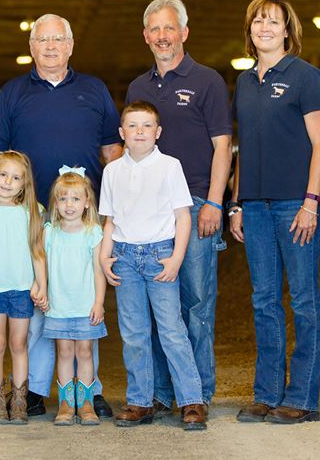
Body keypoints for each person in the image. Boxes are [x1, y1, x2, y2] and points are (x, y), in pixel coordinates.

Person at [0, 13, 121, 417]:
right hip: (29, 218)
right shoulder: (13, 92)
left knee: (82, 301)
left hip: (80, 220)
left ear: (71, 45)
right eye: (43, 39)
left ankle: (88, 392)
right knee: (40, 303)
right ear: (32, 47)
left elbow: (112, 152)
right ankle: (37, 390)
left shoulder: (94, 90)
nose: (51, 46)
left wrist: (110, 213)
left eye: (59, 39)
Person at [125, 0, 232, 418]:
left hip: (195, 203)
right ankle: (158, 393)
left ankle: (197, 393)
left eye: (170, 28)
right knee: (155, 308)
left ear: (184, 33)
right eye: (155, 29)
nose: (163, 36)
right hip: (148, 216)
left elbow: (223, 146)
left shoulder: (208, 81)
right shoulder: (138, 88)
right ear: (146, 36)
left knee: (195, 301)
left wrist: (215, 204)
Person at [229, 0, 320, 425]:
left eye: (273, 21)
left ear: (288, 29)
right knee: (263, 300)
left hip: (295, 204)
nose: (265, 28)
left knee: (304, 299)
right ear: (250, 31)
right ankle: (268, 394)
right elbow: (241, 149)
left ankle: (302, 399)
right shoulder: (244, 82)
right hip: (254, 204)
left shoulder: (307, 77)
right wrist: (236, 203)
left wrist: (310, 203)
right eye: (258, 21)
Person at [99, 101, 207, 431]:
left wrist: (176, 257)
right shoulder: (112, 171)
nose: (140, 131)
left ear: (158, 132)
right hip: (126, 257)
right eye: (132, 126)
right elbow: (110, 220)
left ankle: (191, 400)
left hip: (161, 254)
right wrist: (105, 256)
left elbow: (182, 218)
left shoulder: (170, 166)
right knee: (133, 332)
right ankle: (140, 401)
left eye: (147, 126)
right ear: (122, 133)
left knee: (172, 329)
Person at [0, 151, 48, 424]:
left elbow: (38, 251)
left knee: (19, 344)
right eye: (3, 174)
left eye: (16, 178)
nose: (8, 182)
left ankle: (18, 400)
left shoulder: (33, 212)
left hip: (22, 290)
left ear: (24, 183)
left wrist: (42, 284)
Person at [43, 167, 106, 426]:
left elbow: (99, 271)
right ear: (55, 203)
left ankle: (87, 402)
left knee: (85, 351)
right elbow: (42, 266)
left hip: (85, 305)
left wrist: (99, 302)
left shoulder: (93, 232)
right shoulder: (49, 232)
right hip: (58, 305)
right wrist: (42, 290)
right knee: (65, 351)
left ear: (87, 202)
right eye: (63, 199)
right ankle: (67, 403)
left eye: (76, 199)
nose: (69, 205)